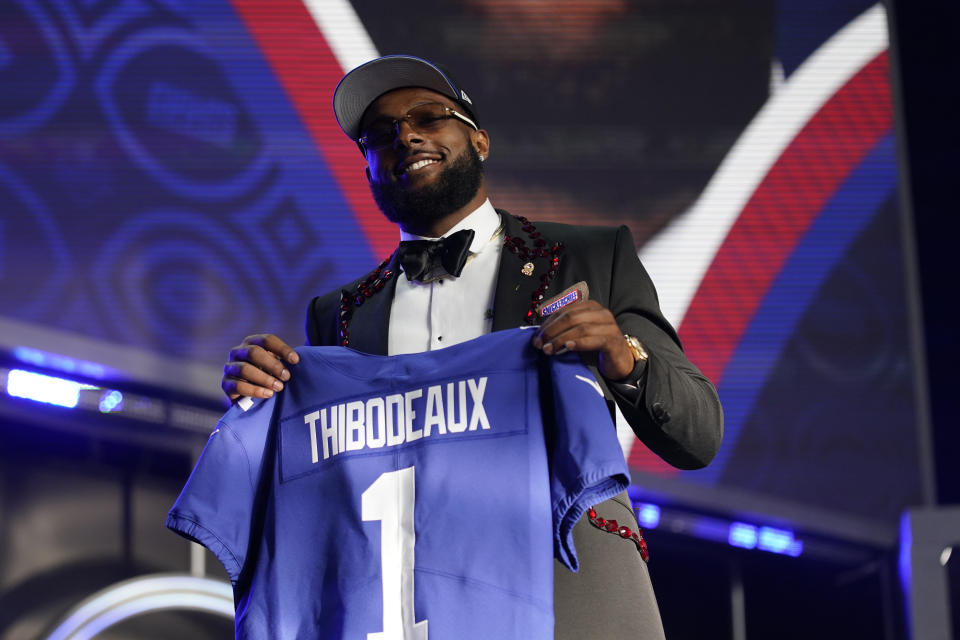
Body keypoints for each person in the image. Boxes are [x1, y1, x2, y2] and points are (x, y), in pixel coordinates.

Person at [220, 55, 723, 639]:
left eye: (427, 117)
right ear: (368, 169)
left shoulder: (590, 257)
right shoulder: (337, 314)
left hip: (567, 586)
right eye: (379, 136)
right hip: (412, 605)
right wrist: (264, 401)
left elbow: (699, 435)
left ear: (479, 141)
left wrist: (624, 354)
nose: (404, 136)